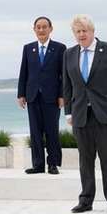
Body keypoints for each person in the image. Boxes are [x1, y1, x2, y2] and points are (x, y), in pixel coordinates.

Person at [63, 15, 107, 214]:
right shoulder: (69, 54)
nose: (81, 34)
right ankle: (86, 200)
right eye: (77, 31)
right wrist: (68, 111)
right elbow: (67, 86)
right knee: (85, 160)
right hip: (81, 114)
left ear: (92, 31)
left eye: (84, 30)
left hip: (106, 113)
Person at [17, 16, 67, 174]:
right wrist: (21, 94)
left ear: (50, 29)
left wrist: (62, 95)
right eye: (38, 27)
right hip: (32, 96)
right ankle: (38, 164)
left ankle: (53, 164)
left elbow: (63, 75)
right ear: (34, 29)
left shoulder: (60, 48)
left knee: (51, 131)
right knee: (35, 132)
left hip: (52, 97)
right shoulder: (28, 48)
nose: (41, 30)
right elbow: (23, 73)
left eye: (44, 27)